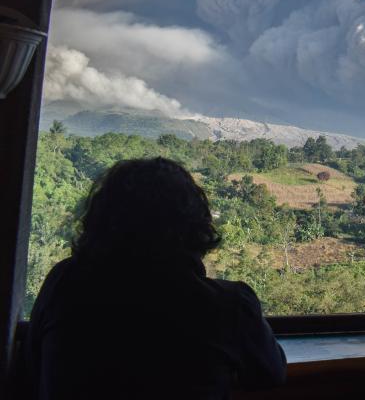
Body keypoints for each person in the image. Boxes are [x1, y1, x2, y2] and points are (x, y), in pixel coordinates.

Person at [24, 157, 287, 400]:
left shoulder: (65, 282)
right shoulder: (228, 305)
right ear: (195, 225)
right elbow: (270, 373)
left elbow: (31, 364)